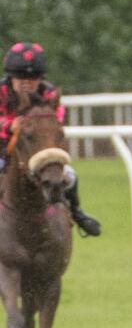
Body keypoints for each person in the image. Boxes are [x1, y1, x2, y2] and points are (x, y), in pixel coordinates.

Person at [0, 42, 101, 237]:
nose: (26, 83)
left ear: (40, 79)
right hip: (3, 146)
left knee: (69, 175)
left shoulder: (49, 94)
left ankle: (76, 212)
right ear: (11, 77)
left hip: (35, 149)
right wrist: (9, 126)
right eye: (20, 78)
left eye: (32, 78)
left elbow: (56, 120)